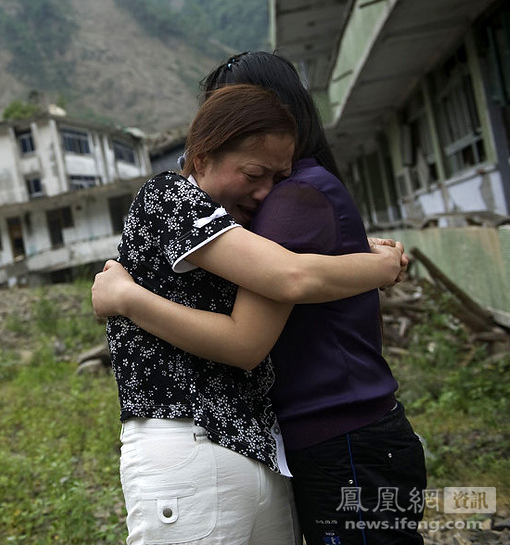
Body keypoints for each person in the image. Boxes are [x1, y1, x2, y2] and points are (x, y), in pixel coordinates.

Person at [93, 51, 426, 545]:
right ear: (204, 149)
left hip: (247, 445)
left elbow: (284, 281)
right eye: (255, 174)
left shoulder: (278, 203)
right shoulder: (175, 197)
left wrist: (126, 297)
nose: (267, 191)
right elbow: (287, 276)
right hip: (231, 444)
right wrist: (374, 261)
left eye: (275, 174)